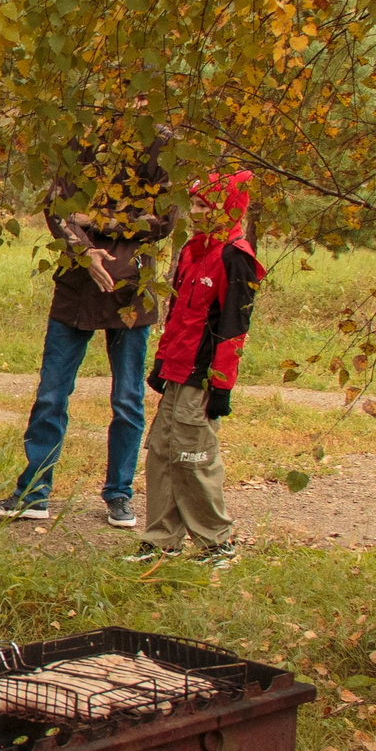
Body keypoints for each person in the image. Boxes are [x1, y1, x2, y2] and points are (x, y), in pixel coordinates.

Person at [0, 137, 178, 530]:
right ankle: (35, 492)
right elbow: (57, 210)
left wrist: (98, 221)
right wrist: (83, 248)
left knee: (128, 400)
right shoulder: (83, 139)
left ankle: (119, 494)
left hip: (131, 294)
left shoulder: (162, 147)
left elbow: (165, 219)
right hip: (75, 291)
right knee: (51, 394)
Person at [128, 171, 265, 566]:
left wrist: (221, 387)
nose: (197, 213)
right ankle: (161, 540)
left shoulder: (235, 257)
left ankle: (216, 542)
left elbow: (233, 330)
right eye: (195, 205)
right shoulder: (191, 250)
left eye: (206, 206)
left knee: (193, 456)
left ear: (227, 210)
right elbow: (178, 316)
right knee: (161, 452)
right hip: (177, 370)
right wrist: (161, 361)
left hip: (203, 375)